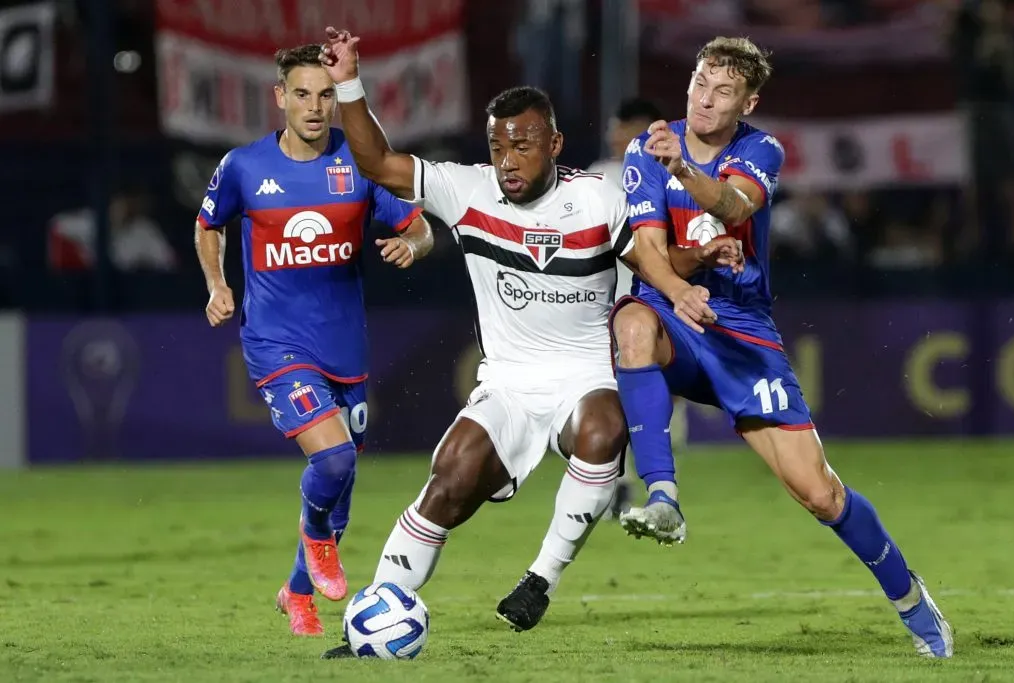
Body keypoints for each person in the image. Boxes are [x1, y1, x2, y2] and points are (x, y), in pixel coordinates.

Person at [318, 28, 739, 645]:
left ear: (555, 143)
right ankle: (376, 621)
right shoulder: (468, 190)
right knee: (452, 479)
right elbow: (376, 163)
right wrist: (349, 82)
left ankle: (540, 578)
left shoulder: (598, 199)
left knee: (603, 427)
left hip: (586, 375)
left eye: (522, 144)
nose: (507, 159)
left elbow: (655, 261)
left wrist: (697, 260)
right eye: (497, 145)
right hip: (509, 385)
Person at [611, 36, 953, 658]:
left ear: (748, 102)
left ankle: (909, 599)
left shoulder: (759, 148)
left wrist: (684, 172)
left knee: (819, 492)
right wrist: (678, 293)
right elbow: (647, 251)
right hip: (673, 311)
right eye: (699, 84)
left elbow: (736, 202)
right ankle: (662, 497)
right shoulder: (646, 147)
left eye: (722, 92)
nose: (705, 102)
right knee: (631, 325)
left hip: (742, 328)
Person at [194, 43, 432, 637]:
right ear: (280, 97)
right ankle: (314, 537)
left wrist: (414, 246)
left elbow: (420, 227)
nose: (315, 106)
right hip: (275, 342)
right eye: (302, 93)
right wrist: (217, 283)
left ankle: (296, 593)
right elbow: (207, 224)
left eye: (326, 94)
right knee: (332, 457)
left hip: (345, 347)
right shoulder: (244, 167)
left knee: (342, 487)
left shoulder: (358, 165)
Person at [588, 98, 673, 519]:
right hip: (611, 300)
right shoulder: (600, 175)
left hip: (634, 299)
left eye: (628, 128)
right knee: (612, 392)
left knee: (627, 390)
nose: (621, 136)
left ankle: (627, 483)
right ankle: (620, 482)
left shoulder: (656, 175)